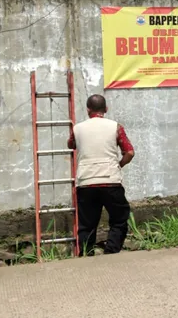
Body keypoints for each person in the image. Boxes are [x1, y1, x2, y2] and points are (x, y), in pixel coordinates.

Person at [67, 94, 134, 256]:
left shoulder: (77, 128)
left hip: (86, 182)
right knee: (119, 219)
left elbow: (71, 144)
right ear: (106, 109)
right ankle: (111, 252)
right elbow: (130, 152)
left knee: (86, 224)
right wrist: (119, 165)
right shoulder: (116, 127)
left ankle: (87, 255)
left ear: (88, 110)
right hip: (111, 180)